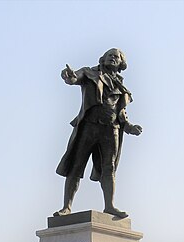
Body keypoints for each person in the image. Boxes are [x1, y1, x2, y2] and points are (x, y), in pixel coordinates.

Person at [55, 48, 142, 219]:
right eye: (109, 55)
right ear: (103, 59)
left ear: (121, 63)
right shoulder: (89, 73)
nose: (112, 58)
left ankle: (110, 206)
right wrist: (69, 76)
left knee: (109, 169)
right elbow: (74, 78)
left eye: (116, 56)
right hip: (89, 126)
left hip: (111, 129)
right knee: (76, 165)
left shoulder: (121, 86)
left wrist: (129, 126)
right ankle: (66, 207)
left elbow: (121, 112)